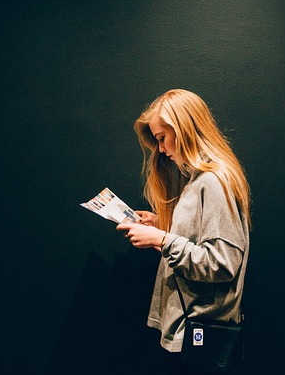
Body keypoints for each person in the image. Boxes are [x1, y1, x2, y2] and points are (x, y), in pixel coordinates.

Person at [116, 89, 251, 374]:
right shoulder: (201, 181)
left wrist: (163, 240)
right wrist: (161, 228)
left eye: (162, 138)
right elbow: (199, 242)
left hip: (199, 331)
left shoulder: (213, 182)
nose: (162, 149)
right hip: (188, 329)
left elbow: (222, 263)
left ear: (184, 129)